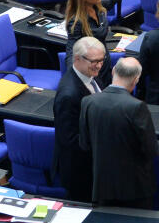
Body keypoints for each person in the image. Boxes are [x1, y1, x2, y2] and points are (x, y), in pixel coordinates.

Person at [78, 56, 159, 208]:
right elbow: (152, 150)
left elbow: (84, 144)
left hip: (102, 186)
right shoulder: (137, 107)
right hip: (135, 190)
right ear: (136, 80)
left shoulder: (88, 101)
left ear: (113, 71)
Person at [53, 36, 107, 201]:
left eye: (101, 60)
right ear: (77, 59)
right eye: (94, 61)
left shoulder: (90, 74)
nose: (99, 65)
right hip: (80, 171)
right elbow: (69, 140)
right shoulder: (69, 95)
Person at [63, 0, 135, 84]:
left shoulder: (97, 6)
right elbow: (72, 51)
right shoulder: (76, 22)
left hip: (105, 65)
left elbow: (111, 0)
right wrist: (73, 79)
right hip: (92, 73)